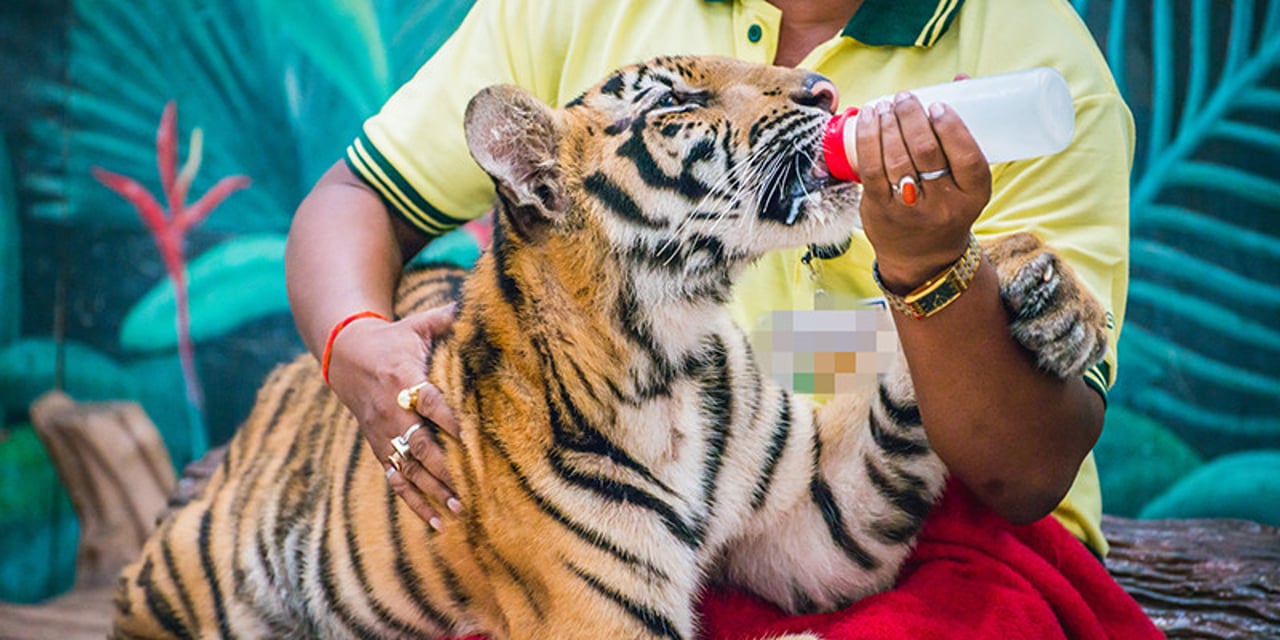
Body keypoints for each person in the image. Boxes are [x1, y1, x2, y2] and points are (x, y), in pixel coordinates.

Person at [285, 0, 1137, 630]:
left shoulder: (1037, 55)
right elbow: (354, 195)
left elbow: (1022, 474)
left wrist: (935, 270)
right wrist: (352, 342)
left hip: (933, 510)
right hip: (639, 465)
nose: (811, 93)